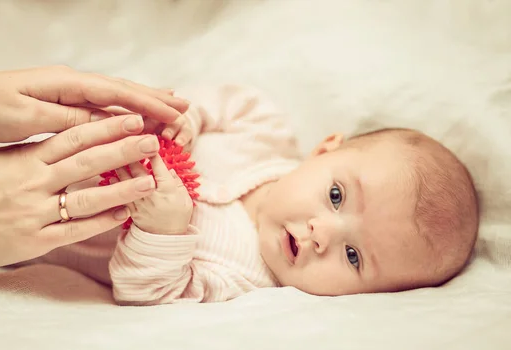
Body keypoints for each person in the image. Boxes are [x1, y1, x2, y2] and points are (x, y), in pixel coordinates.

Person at [37, 84, 480, 305]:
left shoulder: (243, 281)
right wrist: (185, 120)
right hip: (51, 131)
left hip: (28, 222)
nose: (322, 234)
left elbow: (143, 292)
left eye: (353, 257)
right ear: (326, 149)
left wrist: (163, 230)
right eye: (338, 196)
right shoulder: (263, 133)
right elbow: (224, 98)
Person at [0, 61, 191, 281]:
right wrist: (180, 122)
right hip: (24, 142)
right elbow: (209, 104)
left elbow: (153, 288)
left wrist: (164, 233)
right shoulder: (236, 136)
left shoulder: (229, 262)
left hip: (16, 222)